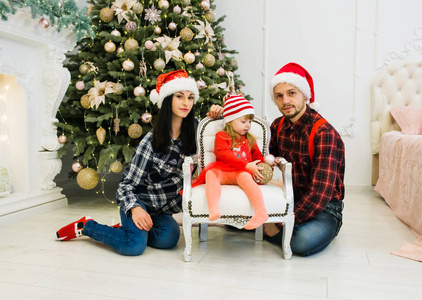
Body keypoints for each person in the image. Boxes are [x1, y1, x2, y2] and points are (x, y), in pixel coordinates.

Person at [55, 69, 222, 256]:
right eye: (179, 96)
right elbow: (126, 186)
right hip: (138, 202)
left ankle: (131, 230)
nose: (186, 103)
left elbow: (224, 138)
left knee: (169, 239)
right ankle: (87, 226)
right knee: (133, 246)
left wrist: (218, 116)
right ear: (168, 100)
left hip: (160, 210)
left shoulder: (197, 130)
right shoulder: (151, 141)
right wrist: (135, 209)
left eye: (191, 98)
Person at [263, 62, 345, 257]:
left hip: (324, 207)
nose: (285, 101)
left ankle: (276, 230)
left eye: (292, 93)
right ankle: (275, 230)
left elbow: (319, 193)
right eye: (279, 96)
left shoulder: (324, 133)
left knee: (302, 242)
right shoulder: (278, 125)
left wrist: (280, 222)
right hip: (291, 198)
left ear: (305, 96)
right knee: (238, 218)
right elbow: (259, 154)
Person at [192, 95, 268, 230]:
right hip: (224, 171)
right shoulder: (222, 136)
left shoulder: (250, 140)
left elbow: (258, 157)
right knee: (210, 174)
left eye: (250, 122)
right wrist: (246, 164)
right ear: (229, 121)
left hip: (241, 172)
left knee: (246, 177)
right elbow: (223, 154)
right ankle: (214, 209)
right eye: (243, 121)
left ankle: (261, 212)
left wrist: (264, 165)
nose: (248, 125)